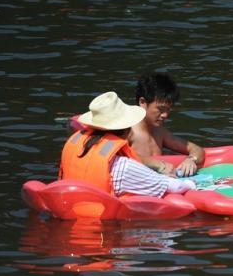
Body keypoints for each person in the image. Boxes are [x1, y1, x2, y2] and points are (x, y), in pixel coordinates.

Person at [58, 92, 195, 197]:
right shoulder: (123, 166)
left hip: (69, 207)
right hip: (100, 222)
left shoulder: (73, 145)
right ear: (126, 130)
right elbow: (175, 187)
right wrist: (192, 184)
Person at [128, 73, 205, 177]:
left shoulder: (160, 132)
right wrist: (158, 165)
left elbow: (197, 149)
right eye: (160, 109)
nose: (165, 115)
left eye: (168, 109)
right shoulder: (126, 130)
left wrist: (191, 160)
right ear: (142, 102)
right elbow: (112, 154)